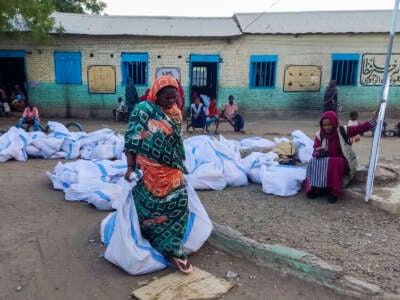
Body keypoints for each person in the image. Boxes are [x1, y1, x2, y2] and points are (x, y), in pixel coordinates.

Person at [124, 75, 194, 274]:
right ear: (155, 95)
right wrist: (130, 167)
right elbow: (132, 138)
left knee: (179, 201)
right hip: (149, 170)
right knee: (151, 205)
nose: (171, 101)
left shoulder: (176, 114)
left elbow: (177, 143)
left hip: (171, 169)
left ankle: (173, 244)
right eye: (167, 98)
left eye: (174, 97)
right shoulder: (143, 111)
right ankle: (153, 235)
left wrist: (180, 161)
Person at [305, 110, 377, 204]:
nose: (326, 127)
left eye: (329, 124)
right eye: (324, 125)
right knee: (313, 161)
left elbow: (361, 128)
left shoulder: (343, 130)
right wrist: (318, 153)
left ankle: (335, 192)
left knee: (334, 162)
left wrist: (373, 119)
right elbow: (315, 150)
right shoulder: (319, 135)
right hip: (327, 162)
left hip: (343, 162)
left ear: (334, 123)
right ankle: (314, 188)